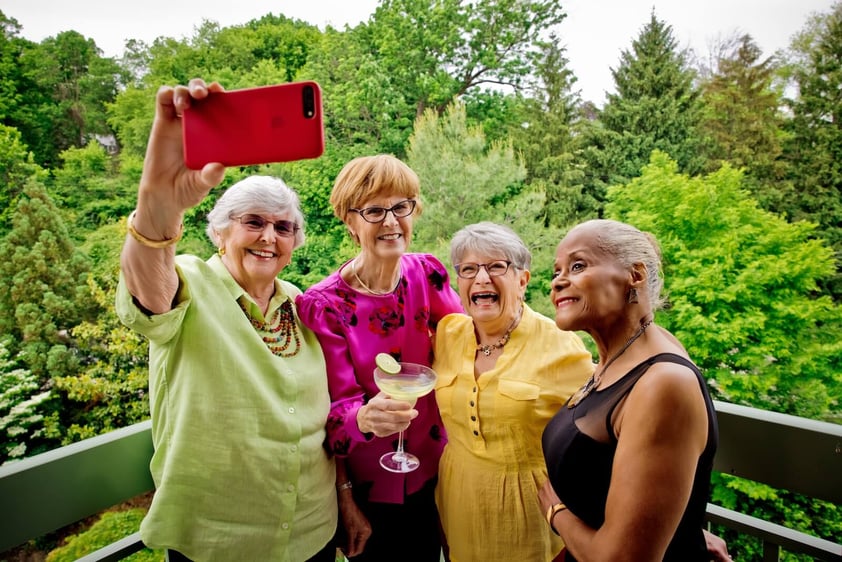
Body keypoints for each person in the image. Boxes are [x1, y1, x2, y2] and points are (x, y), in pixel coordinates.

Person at [116, 78, 337, 562]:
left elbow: (326, 424)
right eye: (252, 222)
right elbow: (150, 295)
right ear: (219, 230)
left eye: (283, 227)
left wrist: (346, 499)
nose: (269, 237)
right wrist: (158, 207)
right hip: (219, 543)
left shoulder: (303, 305)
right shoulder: (189, 282)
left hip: (313, 532)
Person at [296, 154, 463, 561]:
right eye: (374, 210)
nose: (391, 221)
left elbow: (469, 344)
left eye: (401, 206)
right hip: (371, 489)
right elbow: (333, 416)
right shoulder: (324, 305)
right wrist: (364, 419)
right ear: (349, 221)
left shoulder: (428, 274)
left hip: (443, 471)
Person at [539, 219, 720, 561]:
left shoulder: (663, 382)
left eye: (578, 265)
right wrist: (674, 523)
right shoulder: (619, 357)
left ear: (635, 275)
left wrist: (555, 512)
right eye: (557, 271)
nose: (559, 281)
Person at [432, 222, 594, 562]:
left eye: (496, 267)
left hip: (529, 513)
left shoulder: (561, 346)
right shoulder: (448, 333)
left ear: (522, 280)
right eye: (469, 269)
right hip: (458, 500)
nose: (481, 279)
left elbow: (612, 433)